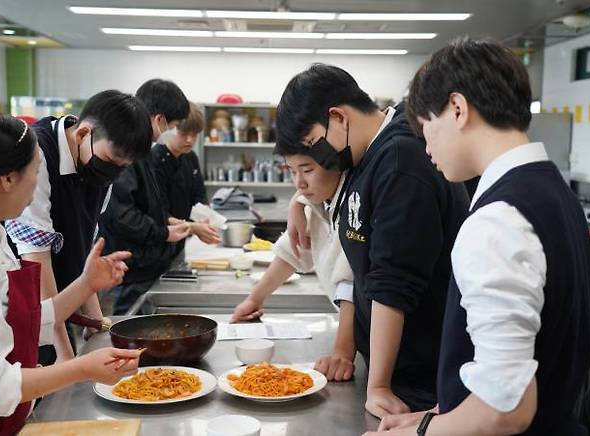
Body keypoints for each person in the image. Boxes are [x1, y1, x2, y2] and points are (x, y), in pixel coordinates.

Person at [368, 38, 590, 436]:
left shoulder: (497, 221)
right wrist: (437, 416)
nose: (426, 147)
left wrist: (418, 434)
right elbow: (516, 363)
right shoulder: (555, 193)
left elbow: (504, 409)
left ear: (457, 109)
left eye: (426, 128)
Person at [278, 64, 469, 416]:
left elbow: (392, 283)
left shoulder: (399, 162)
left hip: (423, 382)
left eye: (311, 146)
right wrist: (298, 201)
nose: (317, 162)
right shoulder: (363, 157)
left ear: (338, 117)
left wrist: (377, 385)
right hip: (396, 370)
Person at [0, 109, 142, 436]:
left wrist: (85, 285)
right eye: (37, 171)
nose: (39, 183)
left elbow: (25, 322)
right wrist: (79, 368)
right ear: (7, 179)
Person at [4, 90, 152, 364]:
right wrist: (67, 358)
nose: (114, 172)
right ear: (84, 133)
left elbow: (85, 249)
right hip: (20, 306)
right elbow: (36, 263)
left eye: (123, 166)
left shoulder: (100, 165)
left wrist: (96, 324)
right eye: (112, 161)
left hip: (59, 303)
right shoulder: (37, 156)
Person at [231, 153, 355, 381]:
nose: (299, 183)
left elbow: (351, 283)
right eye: (291, 171)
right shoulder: (318, 198)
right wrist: (254, 299)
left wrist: (342, 352)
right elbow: (294, 250)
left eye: (307, 170)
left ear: (337, 164)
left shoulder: (355, 197)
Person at [99, 79, 195, 316]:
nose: (168, 133)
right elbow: (122, 215)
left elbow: (150, 204)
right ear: (160, 120)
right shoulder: (127, 151)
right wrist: (163, 232)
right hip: (132, 264)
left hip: (145, 262)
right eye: (172, 126)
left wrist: (168, 224)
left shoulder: (142, 152)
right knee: (127, 329)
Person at [153, 101, 221, 257]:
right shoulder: (154, 161)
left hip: (181, 242)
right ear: (169, 128)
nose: (190, 140)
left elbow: (199, 196)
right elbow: (159, 213)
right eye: (183, 134)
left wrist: (205, 218)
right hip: (159, 243)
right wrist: (194, 228)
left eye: (195, 134)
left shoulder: (190, 158)